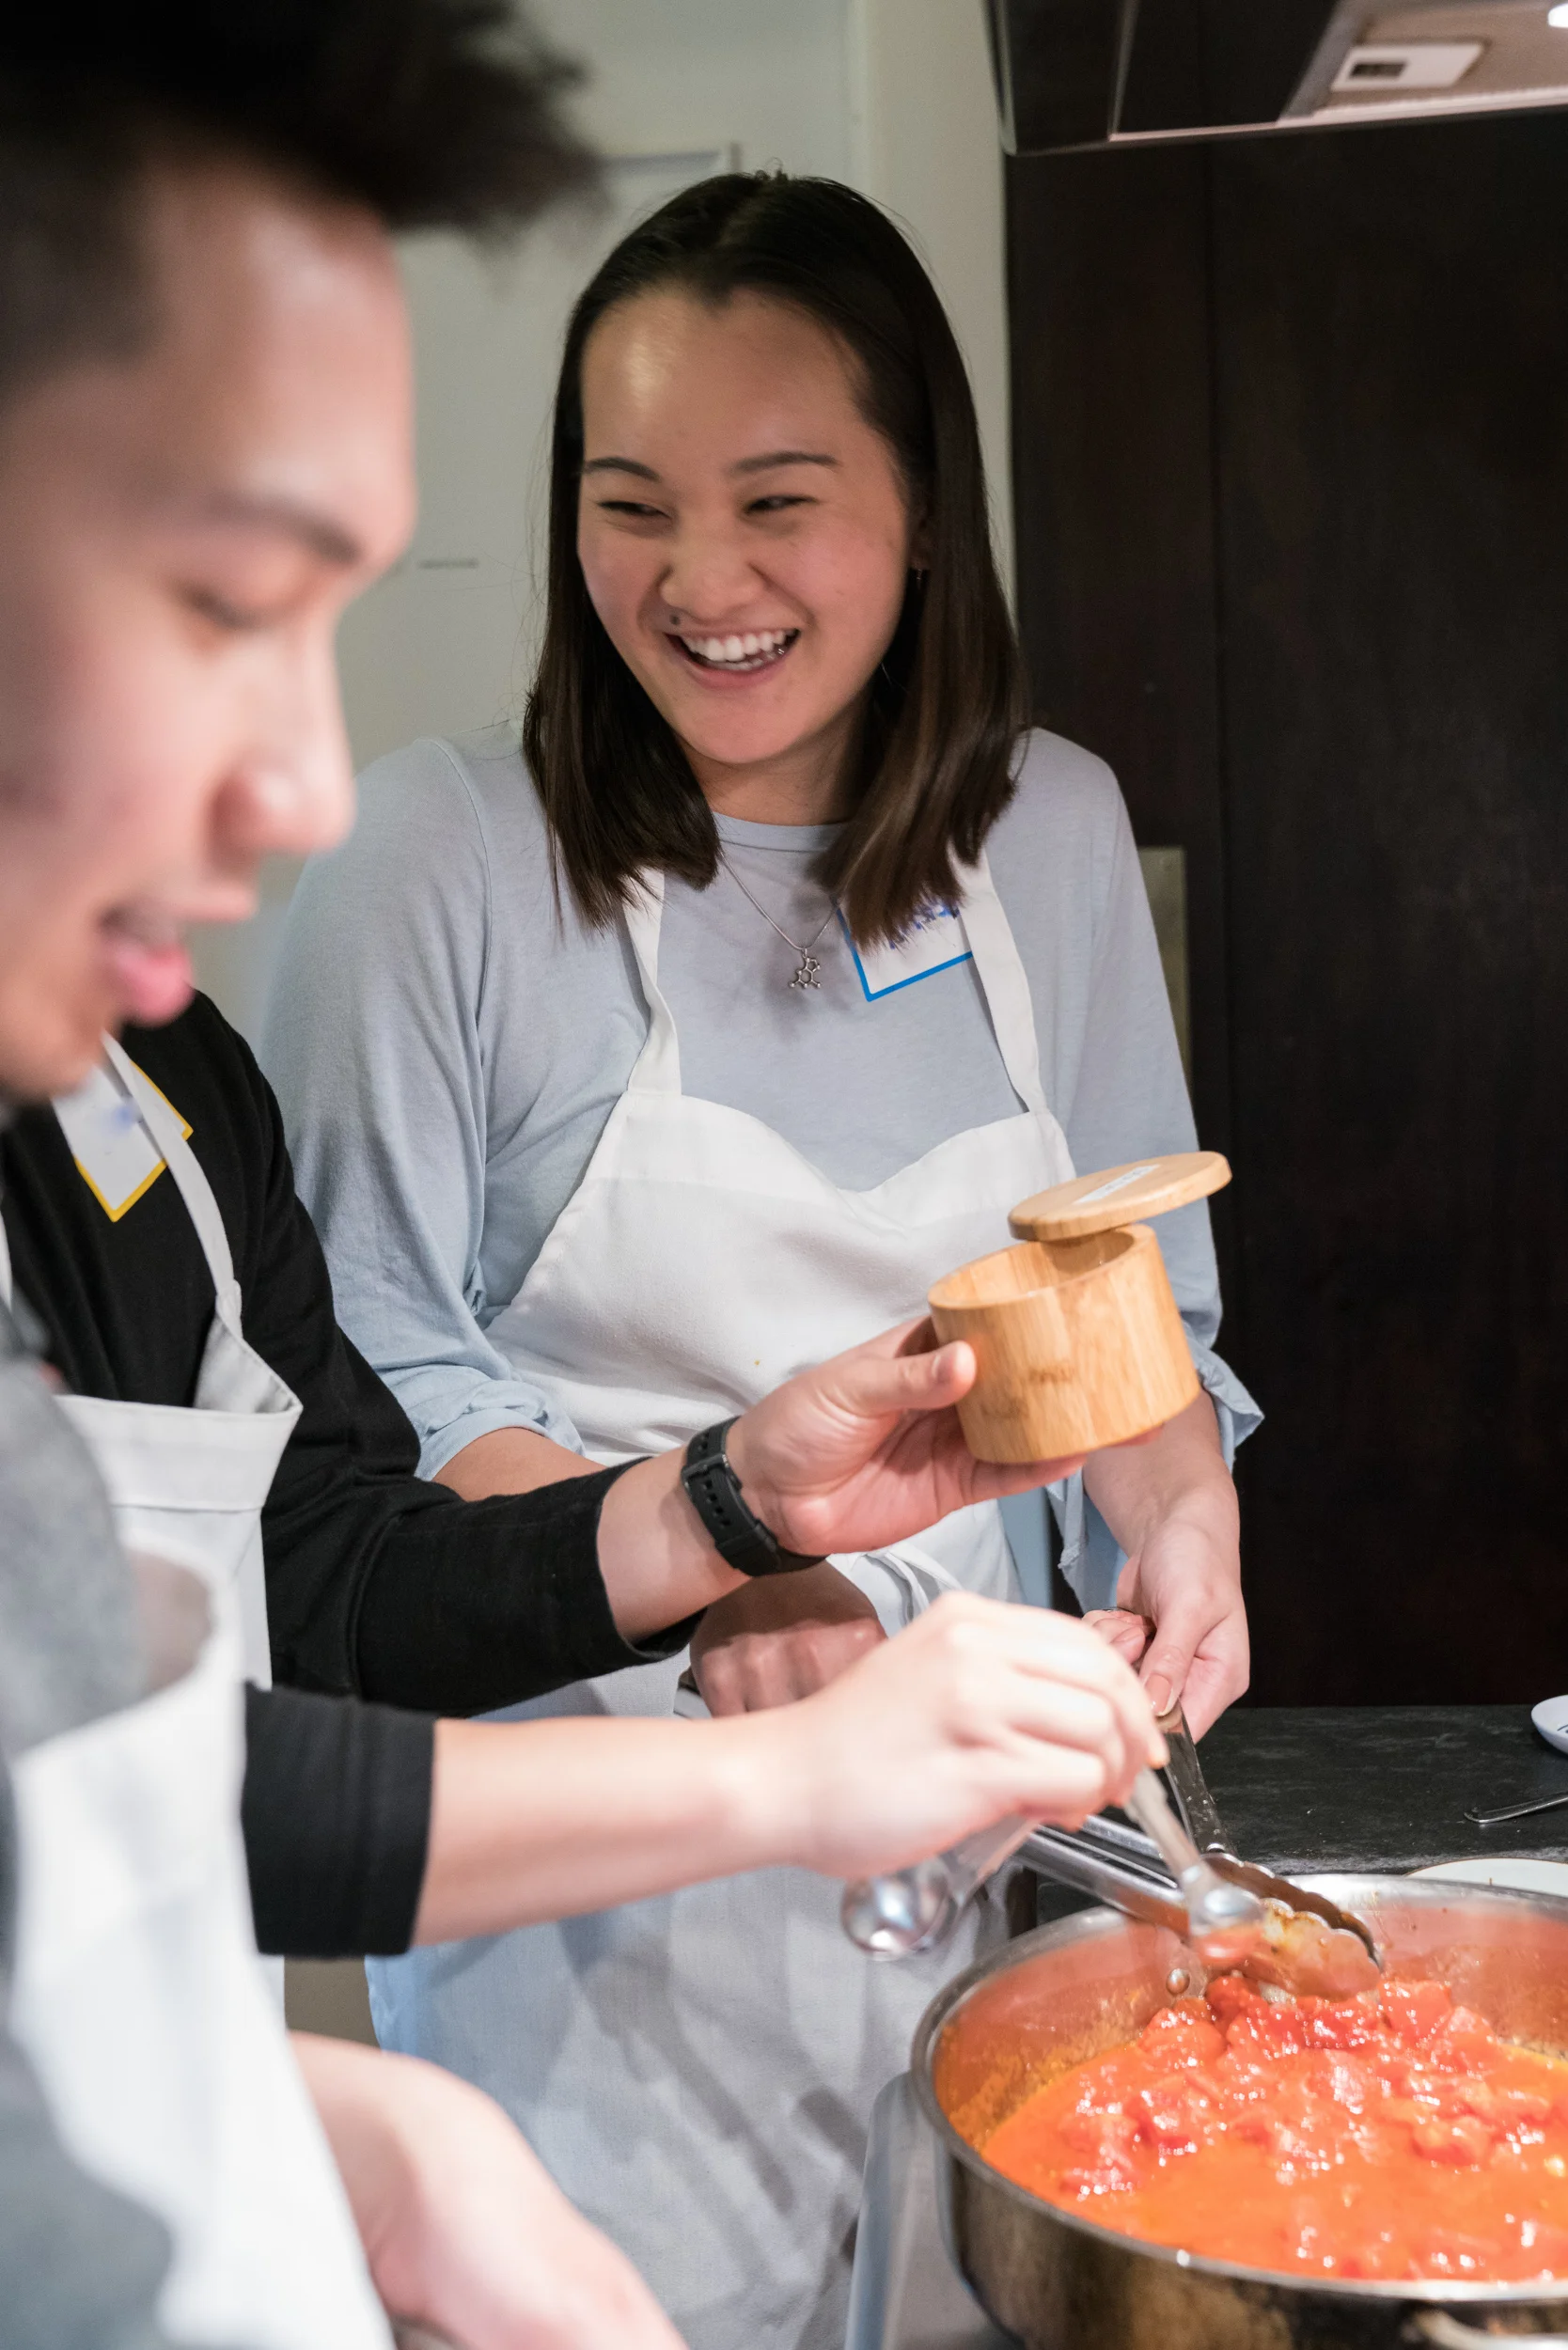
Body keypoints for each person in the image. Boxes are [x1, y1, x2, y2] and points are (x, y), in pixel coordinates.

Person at [0, 12, 1166, 2348]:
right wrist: (779, 1742)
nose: (304, 788)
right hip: (608, 1966)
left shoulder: (160, 1092)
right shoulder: (431, 871)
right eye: (228, 601)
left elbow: (298, 1613)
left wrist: (741, 1498)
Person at [268, 170, 1262, 2348]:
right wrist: (746, 1567)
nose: (698, 582)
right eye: (631, 506)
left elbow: (1121, 1306)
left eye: (779, 501)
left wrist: (1181, 1504)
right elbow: (372, 1402)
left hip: (1003, 1868)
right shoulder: (430, 864)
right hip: (599, 1929)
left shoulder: (1053, 835)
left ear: (923, 515)